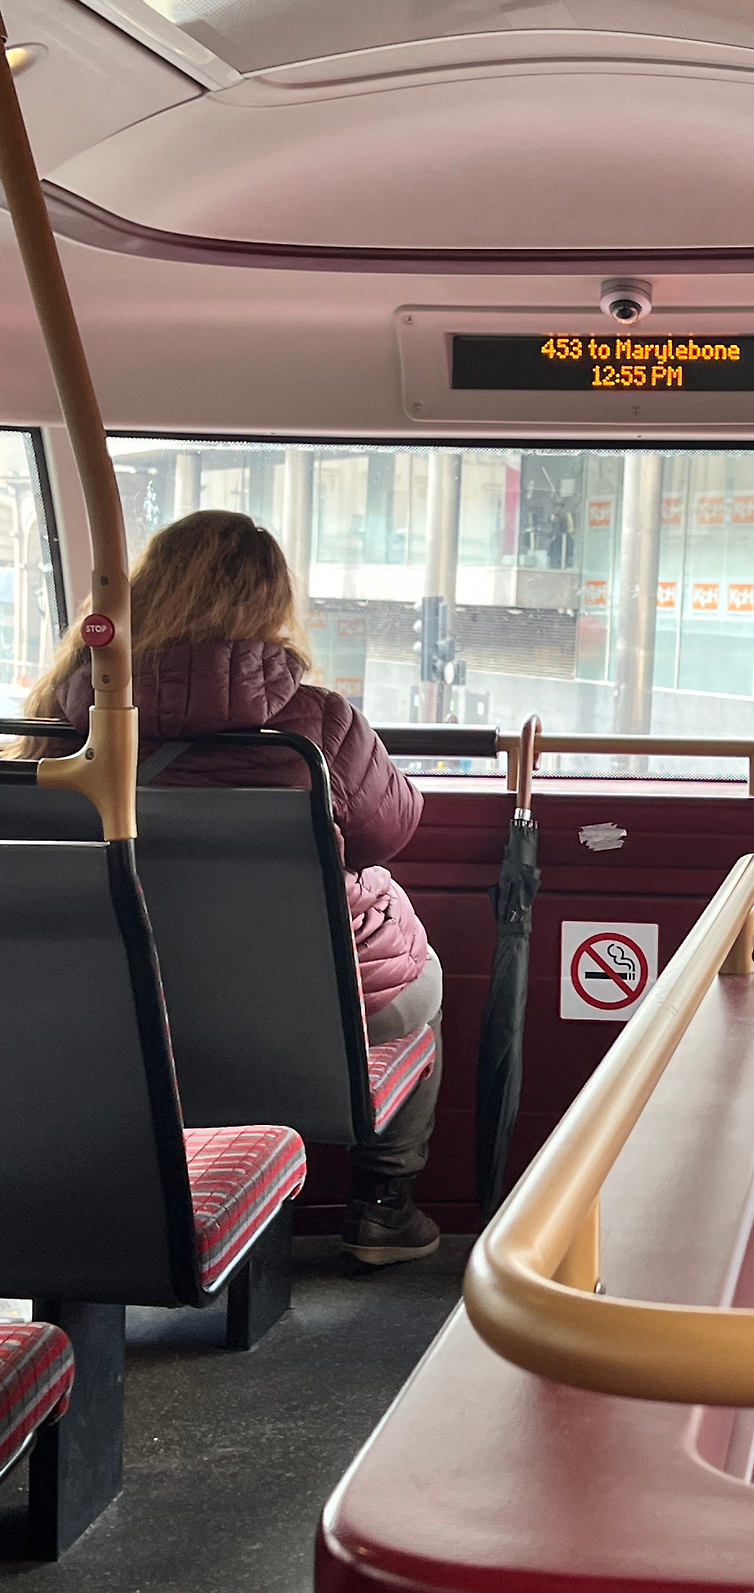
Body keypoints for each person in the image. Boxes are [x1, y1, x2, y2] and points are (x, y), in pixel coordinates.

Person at [17, 511, 441, 1266]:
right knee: (423, 980)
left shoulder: (63, 718)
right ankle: (384, 1204)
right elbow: (390, 830)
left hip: (111, 1003)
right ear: (270, 604)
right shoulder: (317, 725)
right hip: (302, 1011)